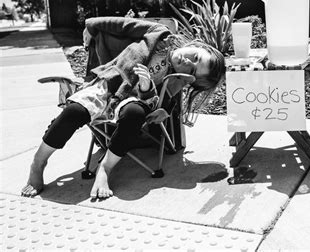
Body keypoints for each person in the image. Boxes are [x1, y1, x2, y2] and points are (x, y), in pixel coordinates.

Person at [21, 17, 225, 199]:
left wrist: (150, 93)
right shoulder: (158, 32)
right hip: (107, 85)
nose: (188, 61)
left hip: (134, 100)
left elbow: (160, 103)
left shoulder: (175, 79)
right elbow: (121, 25)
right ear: (197, 46)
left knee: (135, 113)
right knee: (74, 111)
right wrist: (91, 26)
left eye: (192, 69)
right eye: (196, 57)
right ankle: (38, 163)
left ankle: (105, 168)